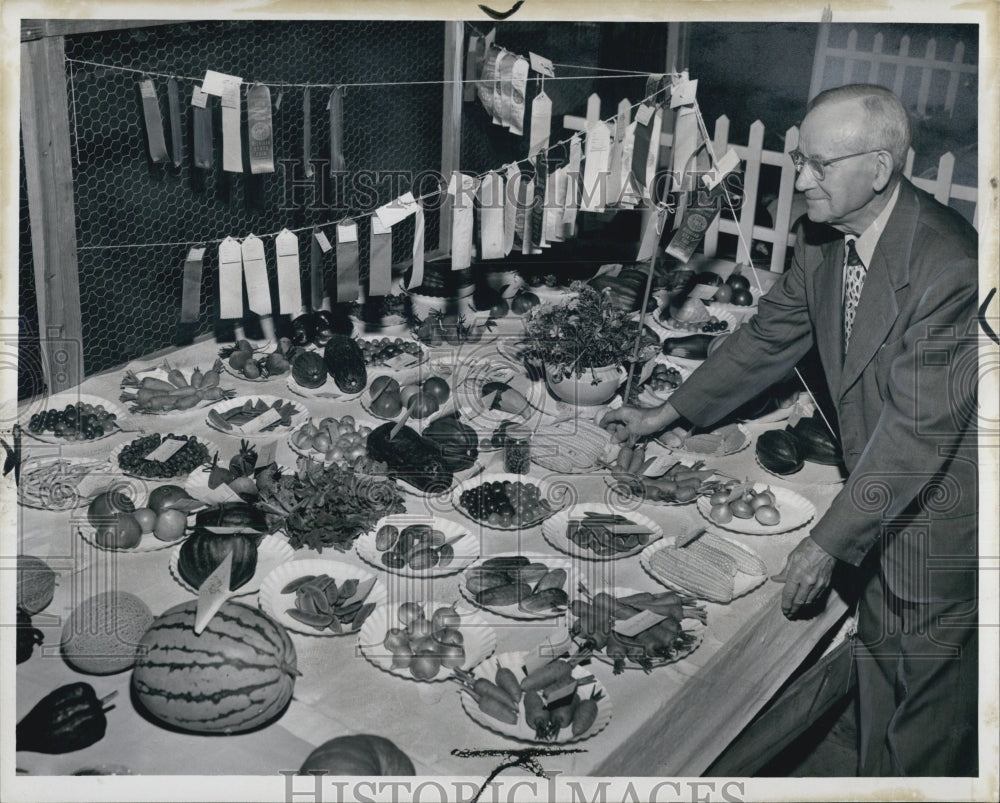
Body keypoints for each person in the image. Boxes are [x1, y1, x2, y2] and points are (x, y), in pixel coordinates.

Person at [602, 84, 979, 776]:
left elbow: (917, 436)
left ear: (880, 168)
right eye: (797, 159)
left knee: (926, 709)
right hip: (876, 489)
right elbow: (769, 337)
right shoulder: (823, 237)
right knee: (875, 675)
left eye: (817, 164)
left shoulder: (950, 264)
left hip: (937, 509)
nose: (799, 179)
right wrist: (665, 414)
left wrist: (826, 541)